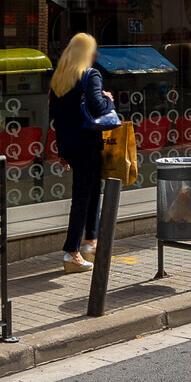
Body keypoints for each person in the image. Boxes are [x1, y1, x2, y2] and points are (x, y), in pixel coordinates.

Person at [48, 33, 120, 273]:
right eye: (93, 50)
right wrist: (108, 99)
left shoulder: (59, 79)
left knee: (90, 192)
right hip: (88, 144)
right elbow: (98, 106)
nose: (95, 54)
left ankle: (91, 241)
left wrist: (62, 151)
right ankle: (72, 252)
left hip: (71, 145)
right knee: (83, 196)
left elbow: (57, 119)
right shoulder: (91, 75)